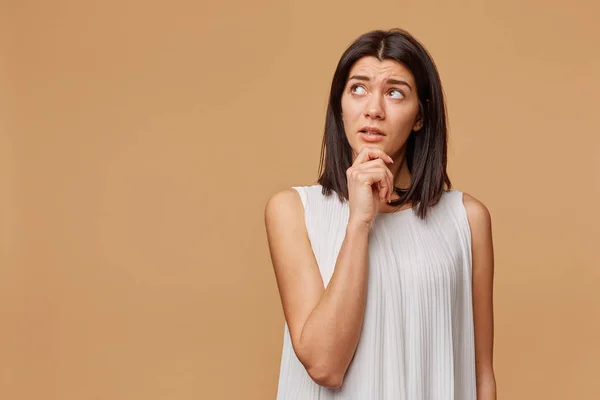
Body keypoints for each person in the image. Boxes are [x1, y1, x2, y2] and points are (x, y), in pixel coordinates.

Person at [264, 28, 496, 400]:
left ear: (420, 115)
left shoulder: (467, 220)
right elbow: (325, 364)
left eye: (394, 92)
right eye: (358, 88)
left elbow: (481, 376)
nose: (373, 108)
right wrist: (358, 222)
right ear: (339, 107)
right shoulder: (292, 211)